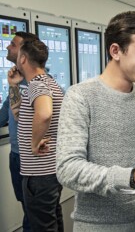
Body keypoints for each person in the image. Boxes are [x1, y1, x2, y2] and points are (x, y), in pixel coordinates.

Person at [56, 11, 135, 232]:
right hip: (96, 227)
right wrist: (131, 177)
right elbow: (68, 169)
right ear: (115, 51)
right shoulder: (80, 97)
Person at [8, 39, 64, 231]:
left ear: (23, 58)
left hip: (39, 174)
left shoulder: (38, 85)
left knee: (42, 227)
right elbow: (18, 115)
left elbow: (44, 113)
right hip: (49, 172)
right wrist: (14, 86)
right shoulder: (47, 82)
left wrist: (34, 144)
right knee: (52, 221)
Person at [0, 31, 39, 232]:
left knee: (36, 214)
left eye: (13, 44)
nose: (8, 47)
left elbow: (45, 116)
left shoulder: (39, 83)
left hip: (33, 158)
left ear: (24, 53)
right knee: (28, 209)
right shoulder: (16, 81)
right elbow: (7, 112)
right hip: (16, 155)